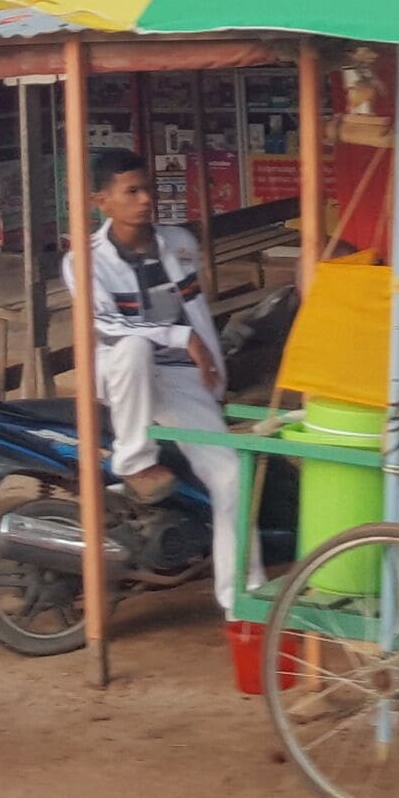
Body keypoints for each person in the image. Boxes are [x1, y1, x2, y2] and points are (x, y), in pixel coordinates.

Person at [62, 149, 251, 615]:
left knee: (231, 476)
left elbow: (197, 312)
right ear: (101, 202)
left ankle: (240, 597)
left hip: (179, 378)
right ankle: (134, 461)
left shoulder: (179, 243)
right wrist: (178, 336)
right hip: (121, 375)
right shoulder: (84, 260)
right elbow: (105, 328)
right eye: (132, 192)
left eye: (149, 189)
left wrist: (216, 374)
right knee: (131, 347)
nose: (146, 200)